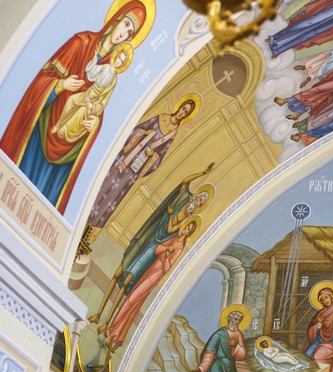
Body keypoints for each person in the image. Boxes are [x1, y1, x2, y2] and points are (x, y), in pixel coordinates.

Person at [0, 1, 147, 212]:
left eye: (130, 33)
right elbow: (42, 79)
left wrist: (93, 124)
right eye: (125, 24)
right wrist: (60, 85)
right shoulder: (81, 42)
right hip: (41, 130)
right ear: (116, 19)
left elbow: (98, 105)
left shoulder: (110, 75)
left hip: (69, 146)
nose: (124, 33)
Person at [91, 162, 215, 330]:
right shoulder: (184, 198)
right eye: (200, 199)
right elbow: (185, 181)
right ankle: (98, 314)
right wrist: (203, 172)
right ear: (197, 196)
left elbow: (170, 230)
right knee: (118, 273)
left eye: (201, 203)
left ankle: (108, 322)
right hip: (147, 236)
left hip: (154, 247)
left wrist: (169, 215)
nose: (199, 202)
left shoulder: (187, 220)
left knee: (127, 282)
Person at [84, 94, 200, 238]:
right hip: (127, 156)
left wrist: (153, 156)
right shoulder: (161, 118)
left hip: (137, 167)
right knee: (106, 182)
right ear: (179, 107)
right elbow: (138, 129)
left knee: (115, 194)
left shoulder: (173, 134)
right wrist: (145, 133)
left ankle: (92, 226)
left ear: (186, 115)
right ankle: (84, 209)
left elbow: (160, 155)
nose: (182, 112)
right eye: (183, 109)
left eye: (186, 112)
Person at [102, 217, 197, 349]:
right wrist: (165, 249)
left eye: (189, 229)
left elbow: (167, 268)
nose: (186, 229)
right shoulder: (174, 239)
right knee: (134, 304)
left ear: (189, 233)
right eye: (187, 226)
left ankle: (112, 331)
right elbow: (157, 249)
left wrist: (166, 256)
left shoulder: (180, 248)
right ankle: (118, 337)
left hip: (156, 275)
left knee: (132, 299)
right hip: (150, 270)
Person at [52, 42, 133, 145]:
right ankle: (59, 124)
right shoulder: (105, 67)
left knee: (82, 110)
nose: (118, 61)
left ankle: (65, 129)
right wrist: (94, 58)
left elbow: (103, 102)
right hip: (88, 94)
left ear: (123, 64)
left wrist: (93, 107)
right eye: (119, 58)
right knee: (71, 99)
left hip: (94, 101)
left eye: (121, 61)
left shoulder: (113, 81)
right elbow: (92, 73)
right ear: (116, 56)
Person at [171, 307, 248, 372]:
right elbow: (209, 353)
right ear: (229, 319)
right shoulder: (219, 334)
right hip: (217, 367)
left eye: (239, 320)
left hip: (230, 368)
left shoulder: (238, 334)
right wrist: (201, 367)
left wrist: (236, 345)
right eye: (235, 319)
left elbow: (242, 355)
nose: (237, 322)